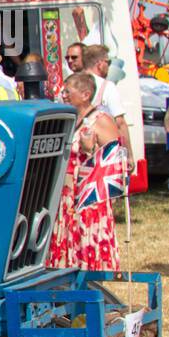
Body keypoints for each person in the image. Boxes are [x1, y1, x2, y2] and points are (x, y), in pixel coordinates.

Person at [48, 72, 120, 271]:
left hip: (88, 197)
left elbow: (114, 163)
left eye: (68, 91)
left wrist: (90, 150)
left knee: (84, 241)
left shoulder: (101, 120)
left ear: (85, 94)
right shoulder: (69, 118)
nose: (63, 94)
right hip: (67, 196)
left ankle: (89, 285)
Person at [80, 43, 133, 170]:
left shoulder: (71, 84)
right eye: (108, 62)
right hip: (103, 154)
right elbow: (120, 123)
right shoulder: (107, 87)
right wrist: (129, 155)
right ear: (99, 63)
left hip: (77, 152)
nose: (109, 66)